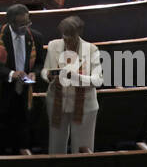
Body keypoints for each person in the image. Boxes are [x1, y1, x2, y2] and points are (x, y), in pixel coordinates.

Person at [0, 4, 42, 154]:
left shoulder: (35, 37)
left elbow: (40, 63)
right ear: (10, 22)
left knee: (20, 139)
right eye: (22, 24)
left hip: (23, 97)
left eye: (28, 23)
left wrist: (35, 73)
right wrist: (10, 74)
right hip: (0, 95)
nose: (26, 27)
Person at [41, 15, 102, 154]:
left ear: (78, 33)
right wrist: (48, 75)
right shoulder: (53, 45)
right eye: (64, 36)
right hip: (57, 101)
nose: (66, 40)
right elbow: (45, 70)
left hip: (84, 105)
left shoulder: (92, 49)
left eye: (70, 36)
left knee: (81, 147)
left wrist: (75, 77)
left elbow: (98, 80)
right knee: (56, 146)